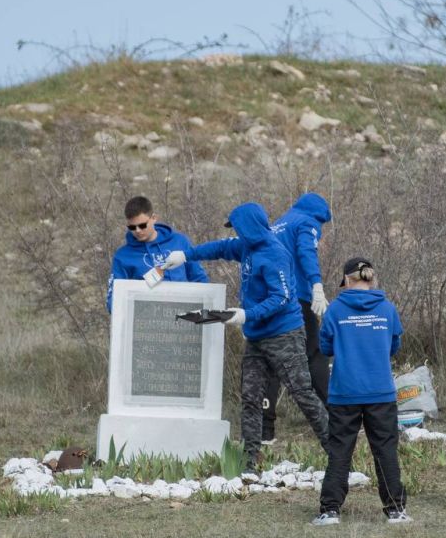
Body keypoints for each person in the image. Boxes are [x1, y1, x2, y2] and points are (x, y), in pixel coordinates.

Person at [164, 202, 329, 469]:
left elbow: (282, 297)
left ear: (250, 227)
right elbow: (218, 247)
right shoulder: (245, 247)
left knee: (303, 394)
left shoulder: (275, 254)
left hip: (284, 336)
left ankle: (337, 453)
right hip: (256, 338)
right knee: (250, 397)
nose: (236, 234)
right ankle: (250, 461)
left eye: (239, 229)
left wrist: (246, 315)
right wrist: (185, 255)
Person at [313, 258, 410, 526]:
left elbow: (325, 347)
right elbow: (394, 346)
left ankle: (330, 510)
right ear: (372, 278)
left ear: (346, 280)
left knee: (340, 451)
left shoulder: (334, 311)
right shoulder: (388, 310)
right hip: (381, 392)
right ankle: (395, 509)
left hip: (345, 392)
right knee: (386, 451)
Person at [262, 192, 332, 444]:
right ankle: (332, 415)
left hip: (271, 298)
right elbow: (306, 251)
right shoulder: (307, 222)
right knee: (315, 352)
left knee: (270, 359)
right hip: (297, 297)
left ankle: (264, 429)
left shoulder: (280, 222)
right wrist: (316, 284)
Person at [106, 196, 208, 311]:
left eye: (142, 225)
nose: (138, 231)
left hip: (183, 315)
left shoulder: (180, 242)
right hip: (146, 321)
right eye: (132, 227)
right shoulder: (122, 257)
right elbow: (112, 301)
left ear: (154, 218)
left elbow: (199, 279)